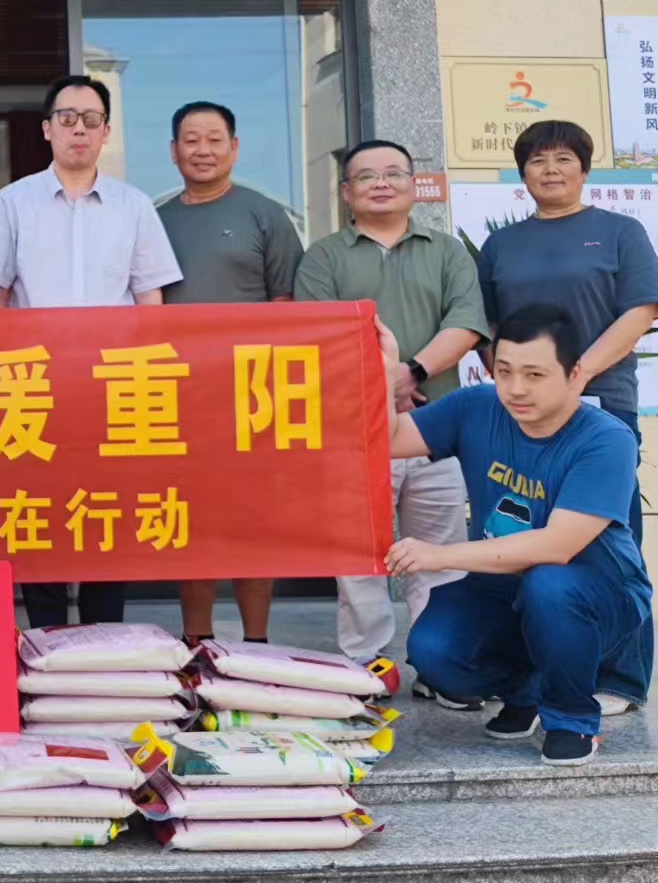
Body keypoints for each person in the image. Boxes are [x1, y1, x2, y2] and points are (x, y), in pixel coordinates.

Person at [388, 306, 651, 767]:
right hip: (501, 587)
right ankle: (528, 690)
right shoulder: (476, 407)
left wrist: (439, 555)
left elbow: (557, 546)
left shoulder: (606, 439)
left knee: (549, 584)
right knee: (434, 650)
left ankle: (571, 718)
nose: (515, 389)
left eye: (534, 374)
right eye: (505, 371)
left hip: (595, 593)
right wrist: (385, 370)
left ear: (574, 375)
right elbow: (388, 439)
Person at [0, 75, 182, 631]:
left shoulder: (133, 206)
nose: (78, 129)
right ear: (47, 130)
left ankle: (104, 642)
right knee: (37, 516)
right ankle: (46, 641)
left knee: (104, 519)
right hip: (33, 392)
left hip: (111, 391)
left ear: (106, 132)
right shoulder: (13, 202)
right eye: (66, 118)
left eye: (90, 120)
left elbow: (150, 301)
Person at [294, 139, 488, 699]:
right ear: (346, 192)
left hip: (437, 432)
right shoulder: (323, 257)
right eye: (366, 176)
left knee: (440, 556)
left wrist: (412, 371)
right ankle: (363, 667)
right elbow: (317, 337)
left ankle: (441, 667)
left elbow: (466, 322)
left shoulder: (447, 251)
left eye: (393, 173)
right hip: (353, 432)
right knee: (359, 559)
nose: (381, 183)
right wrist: (380, 383)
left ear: (412, 183)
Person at [476, 118, 658, 714]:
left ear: (584, 168)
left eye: (563, 159)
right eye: (537, 160)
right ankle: (535, 674)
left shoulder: (620, 232)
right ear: (522, 173)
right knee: (526, 535)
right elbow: (491, 327)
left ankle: (622, 678)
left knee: (613, 541)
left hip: (602, 403)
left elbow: (641, 311)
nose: (550, 170)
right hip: (524, 413)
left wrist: (576, 375)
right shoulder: (502, 244)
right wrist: (516, 384)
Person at [156, 101, 304, 648]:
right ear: (174, 152)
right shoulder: (155, 220)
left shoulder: (264, 214)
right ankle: (196, 641)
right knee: (192, 522)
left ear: (234, 148)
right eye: (191, 140)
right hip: (178, 397)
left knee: (250, 522)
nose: (203, 150)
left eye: (214, 139)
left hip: (250, 395)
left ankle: (255, 646)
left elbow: (288, 304)